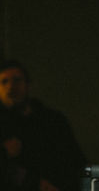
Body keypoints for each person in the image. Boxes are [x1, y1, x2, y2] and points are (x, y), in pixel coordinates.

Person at [0, 59, 87, 191]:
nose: (11, 87)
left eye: (17, 80)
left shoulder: (52, 120)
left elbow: (75, 160)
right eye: (4, 82)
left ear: (28, 85)